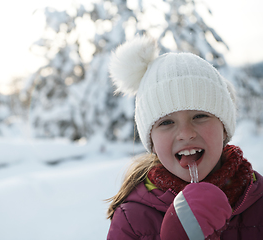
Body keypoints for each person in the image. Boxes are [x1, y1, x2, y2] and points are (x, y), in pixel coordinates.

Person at [106, 36, 263, 240]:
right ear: (151, 141)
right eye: (166, 122)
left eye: (200, 116)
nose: (186, 133)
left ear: (224, 128)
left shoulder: (257, 201)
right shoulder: (133, 219)